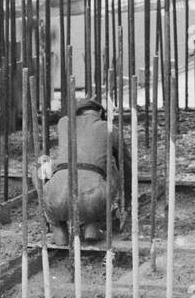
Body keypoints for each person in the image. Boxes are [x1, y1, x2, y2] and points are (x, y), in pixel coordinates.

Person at [42, 96, 131, 246]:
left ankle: (57, 227)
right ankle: (93, 225)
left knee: (42, 165)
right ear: (99, 112)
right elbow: (126, 166)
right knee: (113, 166)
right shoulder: (109, 127)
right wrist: (127, 202)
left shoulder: (63, 122)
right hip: (93, 199)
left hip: (55, 197)